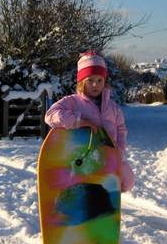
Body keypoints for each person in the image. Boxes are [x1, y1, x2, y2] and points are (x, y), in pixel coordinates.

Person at [45, 52, 135, 192]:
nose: (95, 84)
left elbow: (121, 130)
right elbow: (50, 115)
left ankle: (106, 205)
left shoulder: (112, 107)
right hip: (82, 157)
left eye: (100, 80)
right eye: (90, 80)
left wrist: (120, 151)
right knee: (88, 188)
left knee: (127, 181)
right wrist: (78, 120)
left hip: (108, 156)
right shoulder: (72, 101)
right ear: (81, 82)